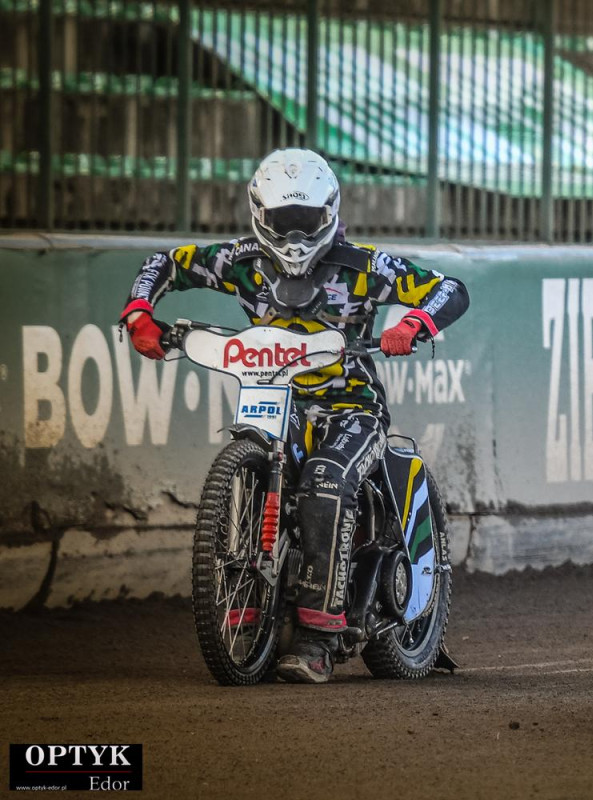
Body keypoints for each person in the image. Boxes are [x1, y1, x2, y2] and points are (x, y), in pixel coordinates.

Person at [119, 148, 469, 684]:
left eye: (307, 219)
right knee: (257, 462)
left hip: (353, 408)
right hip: (272, 398)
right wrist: (139, 312)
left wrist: (414, 323)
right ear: (260, 214)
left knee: (326, 477)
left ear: (329, 212)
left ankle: (318, 638)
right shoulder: (239, 261)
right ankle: (255, 605)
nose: (296, 235)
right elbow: (162, 264)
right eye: (284, 221)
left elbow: (450, 289)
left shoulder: (364, 266)